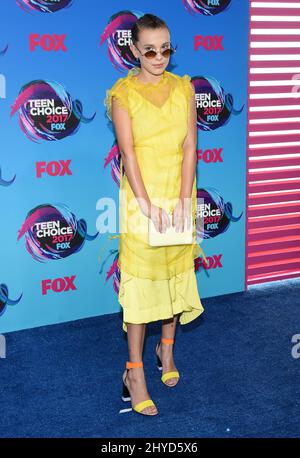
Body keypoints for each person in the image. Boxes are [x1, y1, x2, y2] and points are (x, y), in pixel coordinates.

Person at [105, 13, 205, 416]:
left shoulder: (185, 89)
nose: (159, 56)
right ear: (134, 50)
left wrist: (183, 200)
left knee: (173, 275)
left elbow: (190, 149)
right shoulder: (122, 95)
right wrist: (147, 206)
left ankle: (167, 352)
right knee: (143, 289)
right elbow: (128, 155)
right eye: (150, 49)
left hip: (179, 192)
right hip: (140, 200)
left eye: (166, 48)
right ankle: (135, 372)